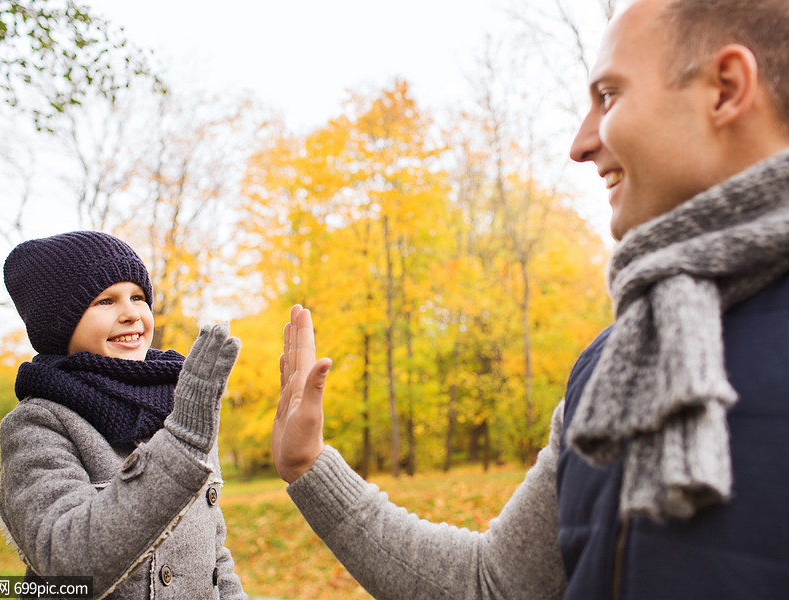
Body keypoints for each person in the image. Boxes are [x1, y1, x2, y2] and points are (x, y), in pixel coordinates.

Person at [271, 0, 789, 598]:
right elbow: (494, 584)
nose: (580, 142)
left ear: (725, 89)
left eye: (610, 97)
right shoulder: (611, 368)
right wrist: (310, 468)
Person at [0, 231, 247, 599]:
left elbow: (212, 553)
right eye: (104, 301)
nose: (131, 313)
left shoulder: (178, 403)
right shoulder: (39, 423)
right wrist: (179, 451)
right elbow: (65, 564)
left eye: (138, 297)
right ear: (58, 325)